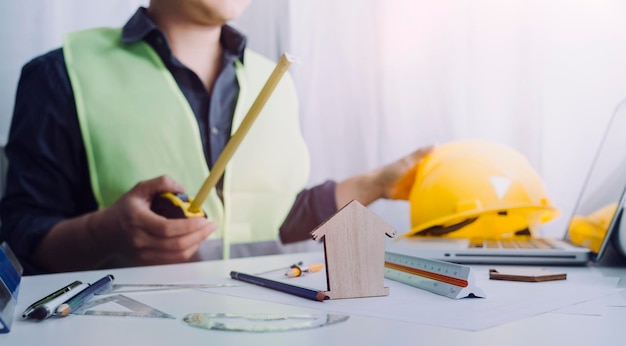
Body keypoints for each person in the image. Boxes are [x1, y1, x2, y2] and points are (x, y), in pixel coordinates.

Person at [0, 0, 433, 274]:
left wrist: (378, 184)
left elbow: (268, 216)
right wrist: (105, 232)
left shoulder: (274, 81)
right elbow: (21, 236)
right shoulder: (60, 74)